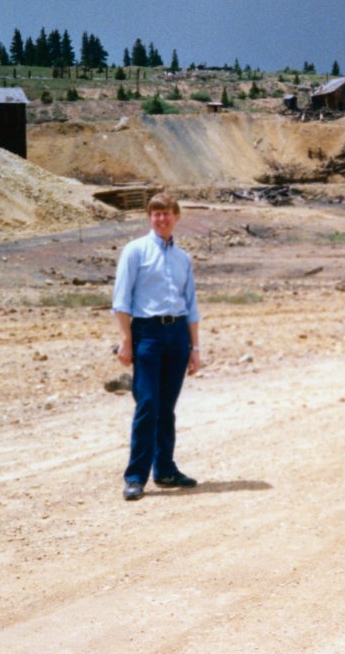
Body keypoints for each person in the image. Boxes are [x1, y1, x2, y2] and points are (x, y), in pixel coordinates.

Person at [112, 192, 202, 501]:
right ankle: (135, 476)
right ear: (150, 218)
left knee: (167, 408)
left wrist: (195, 348)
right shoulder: (134, 251)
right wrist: (126, 340)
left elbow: (191, 304)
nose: (161, 219)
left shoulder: (183, 258)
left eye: (166, 213)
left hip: (177, 333)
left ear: (176, 217)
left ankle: (164, 469)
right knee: (147, 404)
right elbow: (121, 300)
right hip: (147, 333)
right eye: (155, 214)